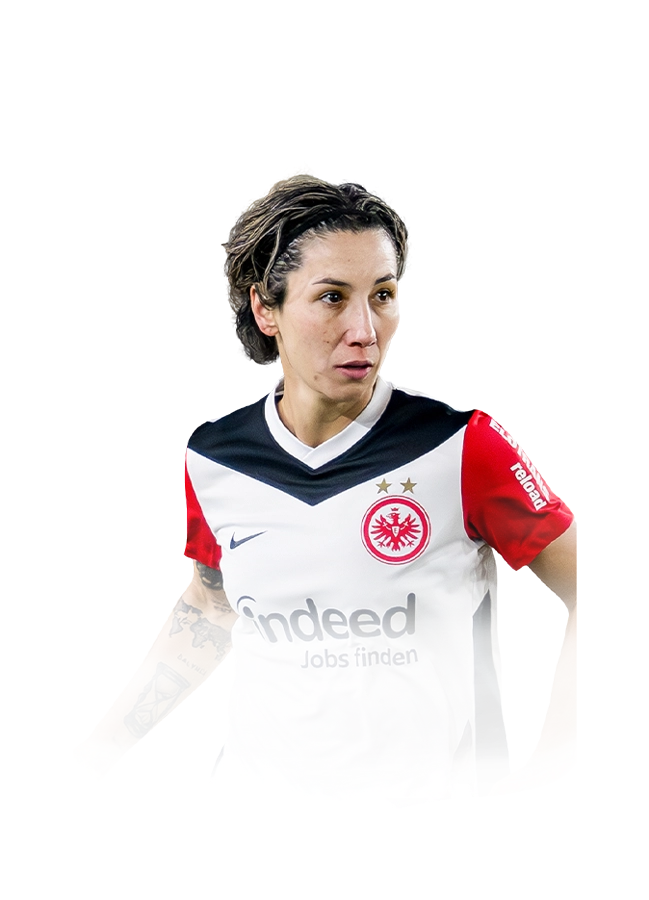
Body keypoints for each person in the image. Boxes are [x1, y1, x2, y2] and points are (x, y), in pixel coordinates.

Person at [73, 168, 577, 804]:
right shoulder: (215, 458)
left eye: (383, 295)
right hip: (250, 806)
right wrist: (94, 756)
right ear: (267, 308)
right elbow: (211, 610)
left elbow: (609, 590)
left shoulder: (462, 447)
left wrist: (555, 756)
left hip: (426, 813)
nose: (365, 329)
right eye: (333, 297)